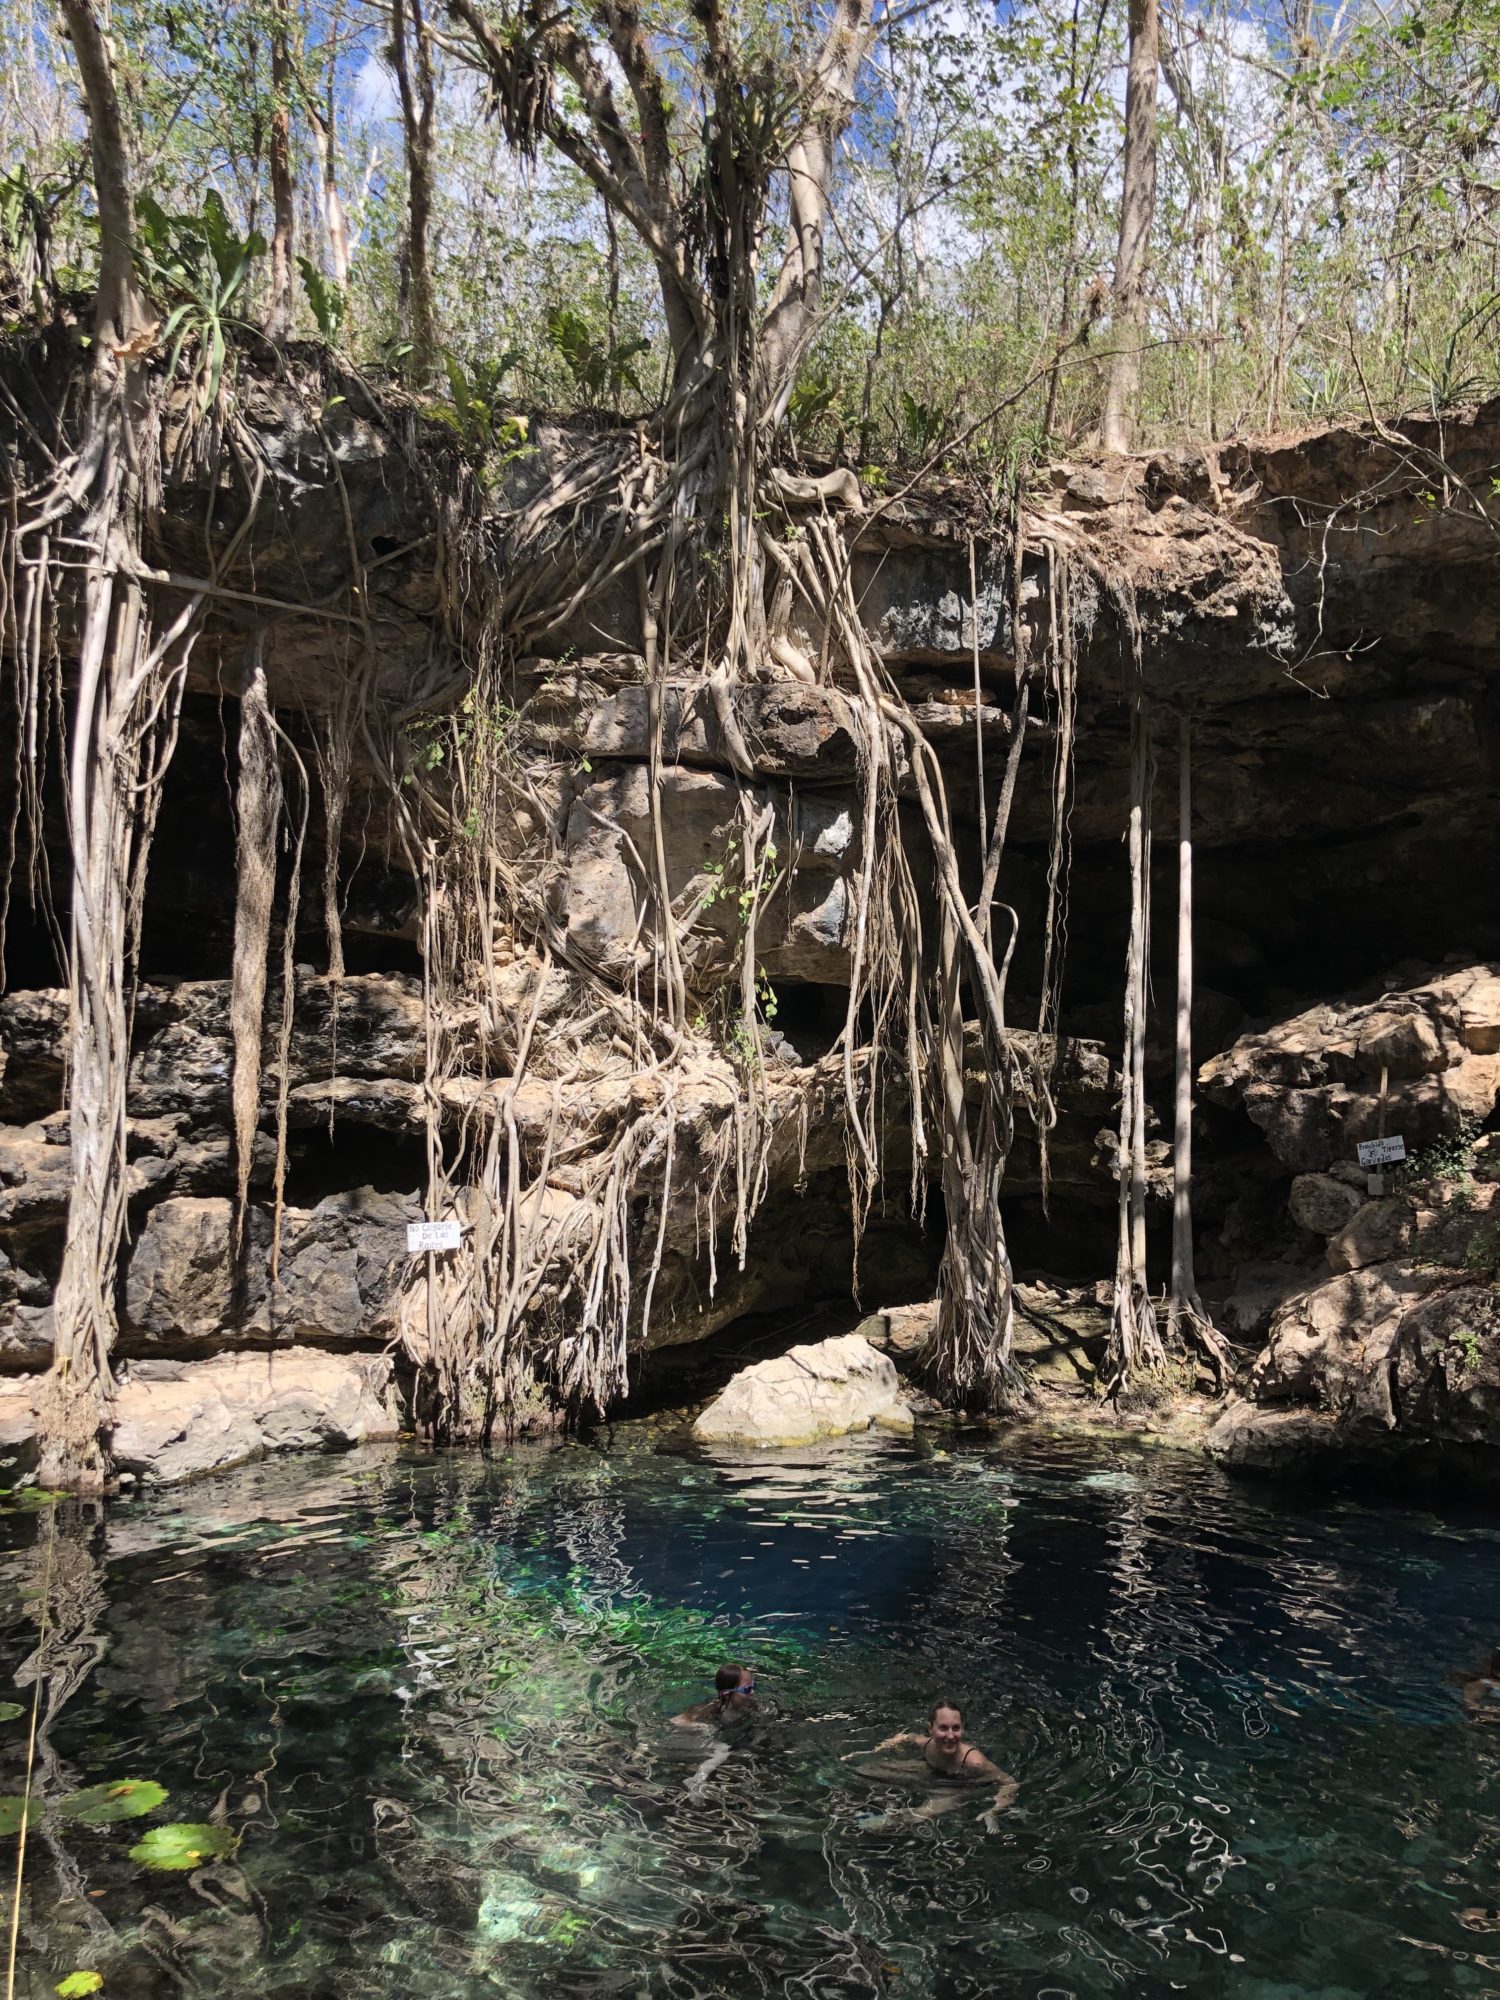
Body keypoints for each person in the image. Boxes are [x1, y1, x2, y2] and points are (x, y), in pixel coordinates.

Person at [848, 1700, 1017, 1829]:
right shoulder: (927, 1744)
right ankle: (843, 1798)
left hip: (957, 1787)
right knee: (866, 1772)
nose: (950, 1736)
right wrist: (881, 1747)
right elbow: (907, 1737)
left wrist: (995, 1809)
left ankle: (875, 1823)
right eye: (943, 1728)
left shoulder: (974, 1761)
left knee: (921, 1813)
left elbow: (1009, 1782)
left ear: (962, 1730)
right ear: (931, 1729)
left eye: (956, 1728)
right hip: (928, 1772)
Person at [672, 1663, 758, 1729]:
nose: (752, 1692)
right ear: (727, 1695)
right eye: (747, 1689)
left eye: (753, 1686)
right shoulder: (707, 1711)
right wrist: (700, 1727)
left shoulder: (751, 1705)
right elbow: (674, 1722)